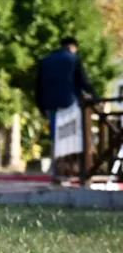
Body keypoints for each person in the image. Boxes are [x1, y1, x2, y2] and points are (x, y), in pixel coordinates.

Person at [35, 37, 98, 180]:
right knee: (71, 137)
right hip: (70, 104)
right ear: (73, 47)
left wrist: (41, 107)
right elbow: (84, 81)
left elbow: (38, 87)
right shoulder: (73, 59)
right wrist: (96, 97)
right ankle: (72, 171)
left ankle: (57, 172)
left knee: (56, 139)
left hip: (51, 105)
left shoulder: (46, 61)